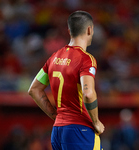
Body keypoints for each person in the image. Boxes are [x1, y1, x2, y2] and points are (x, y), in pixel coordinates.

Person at [28, 10, 105, 150]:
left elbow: (34, 89)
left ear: (69, 30)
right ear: (89, 29)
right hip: (80, 130)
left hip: (58, 131)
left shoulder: (54, 57)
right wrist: (96, 122)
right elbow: (88, 93)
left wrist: (56, 116)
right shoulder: (86, 59)